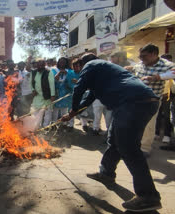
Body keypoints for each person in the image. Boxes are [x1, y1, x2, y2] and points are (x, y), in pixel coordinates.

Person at [62, 53, 161, 212]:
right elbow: (89, 98)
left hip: (132, 103)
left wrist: (73, 110)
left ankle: (148, 196)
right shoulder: (103, 71)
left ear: (83, 63)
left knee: (129, 149)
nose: (79, 70)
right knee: (115, 141)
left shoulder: (92, 64)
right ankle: (106, 173)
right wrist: (73, 113)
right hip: (137, 102)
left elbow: (79, 89)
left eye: (79, 66)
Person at [132, 44, 174, 156]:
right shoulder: (140, 64)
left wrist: (157, 77)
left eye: (144, 56)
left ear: (154, 54)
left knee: (148, 125)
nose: (141, 59)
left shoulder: (166, 65)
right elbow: (133, 70)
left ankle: (145, 149)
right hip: (135, 100)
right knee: (135, 124)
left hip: (152, 101)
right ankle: (135, 145)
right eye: (140, 56)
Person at [30, 58, 56, 127]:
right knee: (36, 112)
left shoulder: (49, 72)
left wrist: (52, 95)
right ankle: (35, 127)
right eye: (39, 65)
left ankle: (45, 126)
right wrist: (33, 90)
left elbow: (52, 84)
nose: (40, 67)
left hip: (47, 96)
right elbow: (31, 83)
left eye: (42, 65)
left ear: (45, 65)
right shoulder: (33, 73)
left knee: (48, 113)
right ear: (36, 65)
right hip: (37, 96)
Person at [52, 57, 74, 130]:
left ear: (66, 63)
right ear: (58, 62)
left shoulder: (70, 71)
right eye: (60, 62)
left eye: (64, 62)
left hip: (66, 93)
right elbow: (53, 80)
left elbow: (72, 80)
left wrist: (66, 73)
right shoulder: (54, 70)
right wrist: (59, 73)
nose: (62, 63)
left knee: (64, 109)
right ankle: (54, 124)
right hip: (57, 92)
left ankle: (64, 124)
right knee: (55, 109)